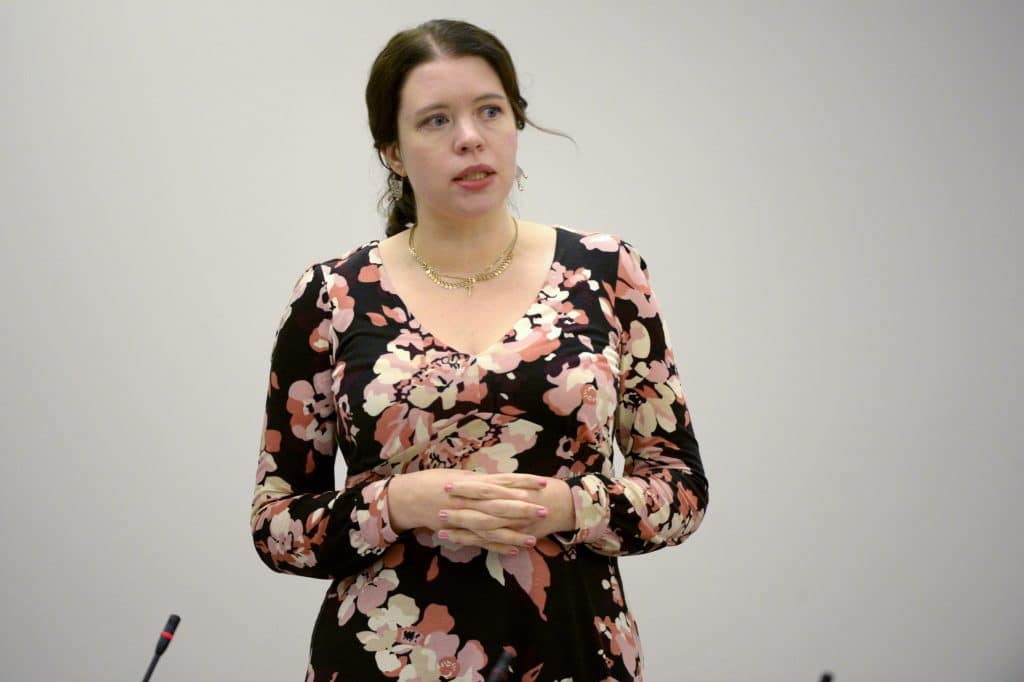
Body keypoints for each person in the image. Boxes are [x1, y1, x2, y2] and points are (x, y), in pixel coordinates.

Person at [251, 18, 708, 681]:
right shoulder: (332, 295)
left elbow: (680, 489)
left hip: (572, 651)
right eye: (436, 120)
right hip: (386, 661)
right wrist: (396, 505)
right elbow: (276, 525)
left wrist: (569, 507)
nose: (469, 137)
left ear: (516, 123)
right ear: (393, 152)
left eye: (490, 111)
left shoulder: (608, 272)